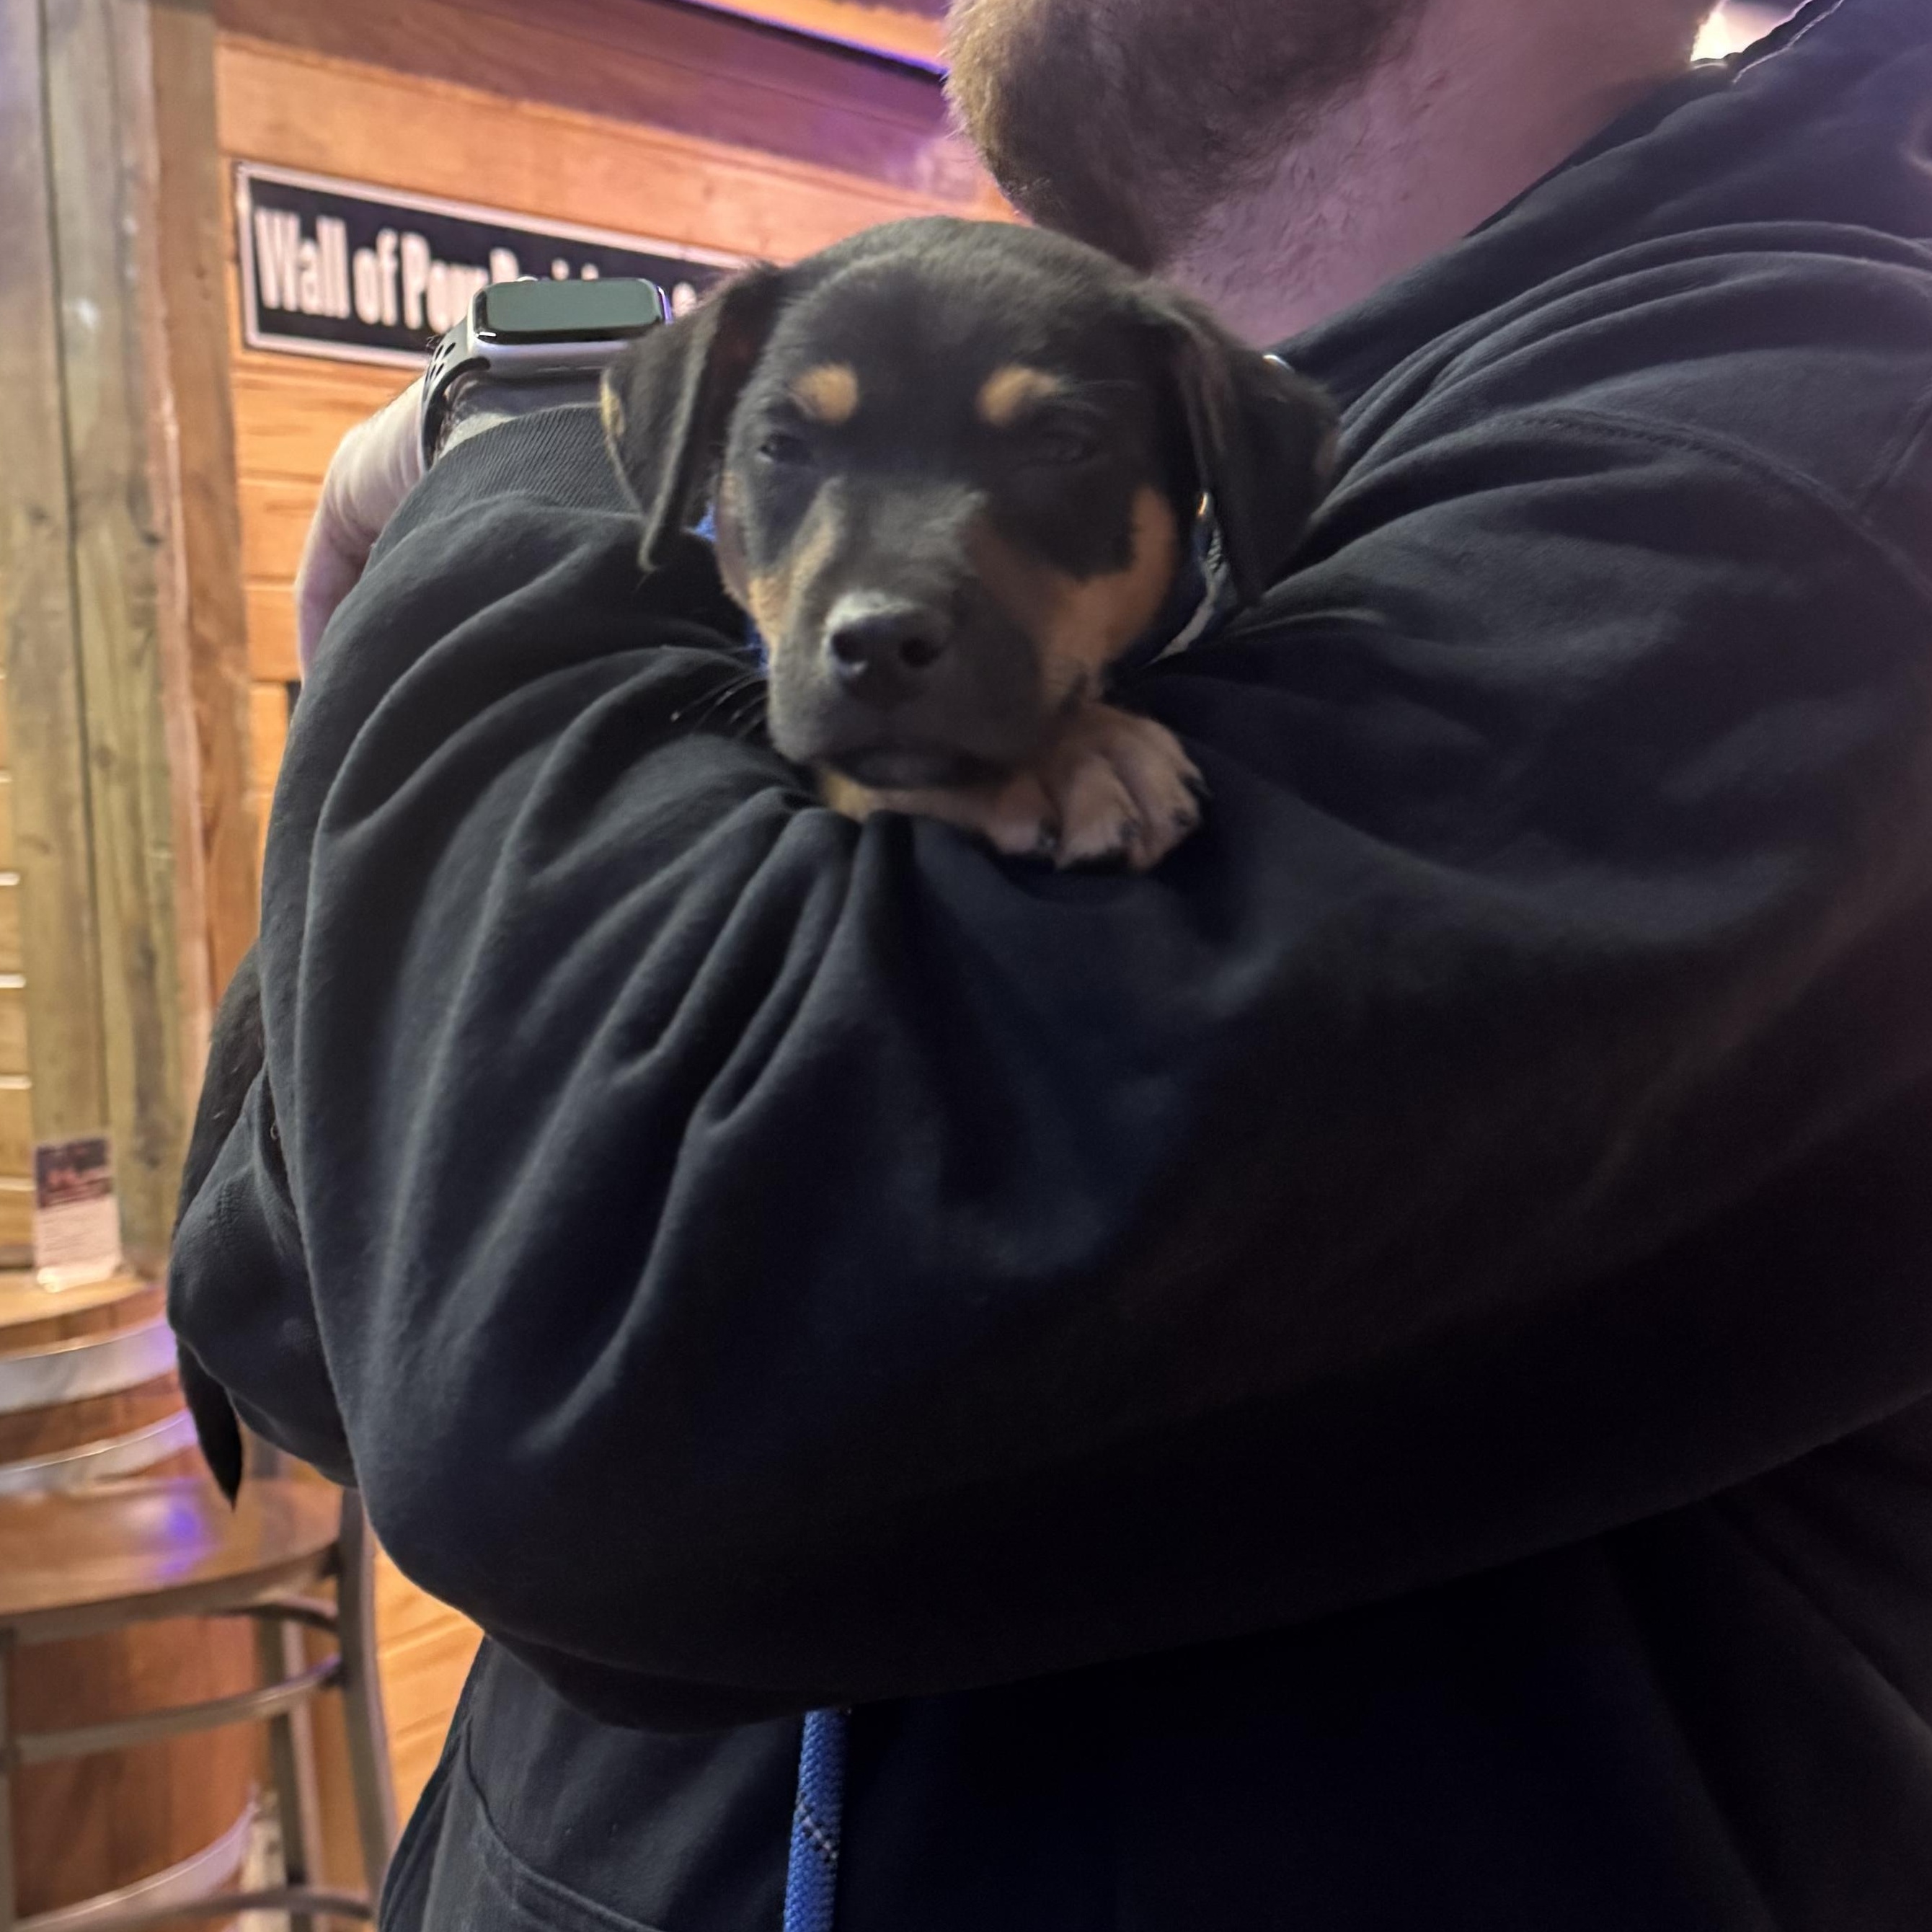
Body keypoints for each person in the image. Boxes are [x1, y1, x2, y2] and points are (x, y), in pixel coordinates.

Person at [169, 0, 1932, 1925]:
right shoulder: (1253, 467)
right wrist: (548, 417)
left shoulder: (1800, 470)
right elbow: (296, 1284)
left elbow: (553, 1328)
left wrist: (508, 471)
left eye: (1055, 450)